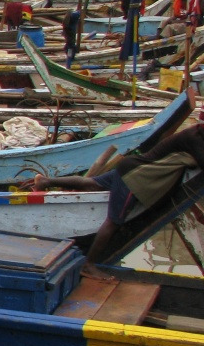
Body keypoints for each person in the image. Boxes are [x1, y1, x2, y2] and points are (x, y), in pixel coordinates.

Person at [32, 109, 204, 275]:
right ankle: (89, 264)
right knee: (114, 221)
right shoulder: (194, 138)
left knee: (92, 184)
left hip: (132, 166)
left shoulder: (194, 134)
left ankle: (45, 181)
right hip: (136, 176)